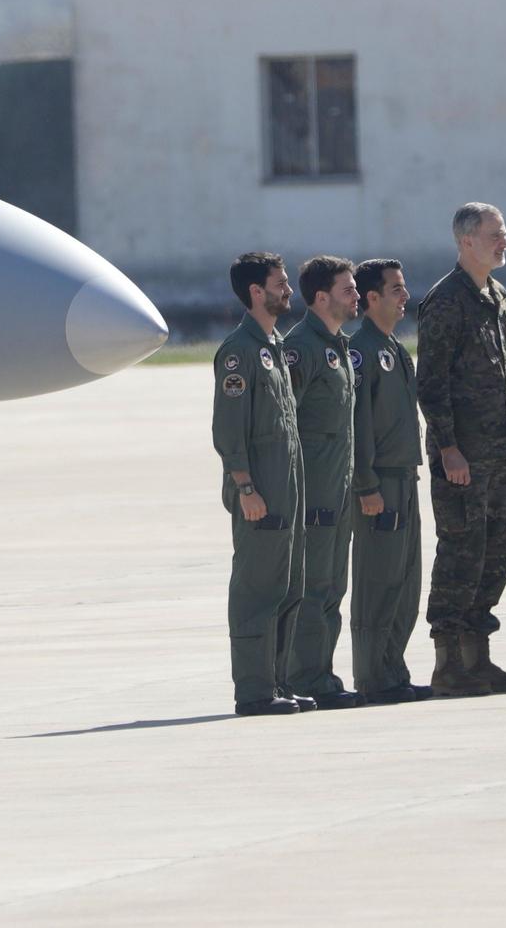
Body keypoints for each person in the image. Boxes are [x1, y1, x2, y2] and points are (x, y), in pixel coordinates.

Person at [415, 203, 506, 697]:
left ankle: (478, 657)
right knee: (460, 551)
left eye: (503, 233)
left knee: (495, 552)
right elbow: (431, 383)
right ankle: (447, 663)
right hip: (461, 457)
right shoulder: (446, 301)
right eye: (494, 234)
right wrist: (448, 448)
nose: (504, 241)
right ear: (466, 242)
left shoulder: (498, 296)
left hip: (498, 455)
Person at [211, 251, 310, 715]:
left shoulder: (272, 346)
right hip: (260, 491)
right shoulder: (240, 352)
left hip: (286, 486)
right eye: (279, 283)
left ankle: (277, 682)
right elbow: (229, 429)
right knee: (257, 589)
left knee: (288, 588)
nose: (287, 290)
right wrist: (245, 487)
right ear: (256, 292)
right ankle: (253, 691)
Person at [281, 255, 364, 710]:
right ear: (321, 297)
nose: (355, 295)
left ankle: (324, 674)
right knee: (312, 588)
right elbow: (284, 422)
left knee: (332, 586)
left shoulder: (338, 345)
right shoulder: (302, 348)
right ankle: (306, 676)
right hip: (312, 489)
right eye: (347, 289)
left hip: (339, 486)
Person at [348, 259, 429, 705]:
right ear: (371, 298)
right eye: (395, 289)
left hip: (405, 476)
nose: (404, 296)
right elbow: (358, 425)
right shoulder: (360, 350)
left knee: (405, 581)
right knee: (377, 582)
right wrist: (366, 485)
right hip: (379, 483)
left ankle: (393, 669)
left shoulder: (395, 349)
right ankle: (372, 676)